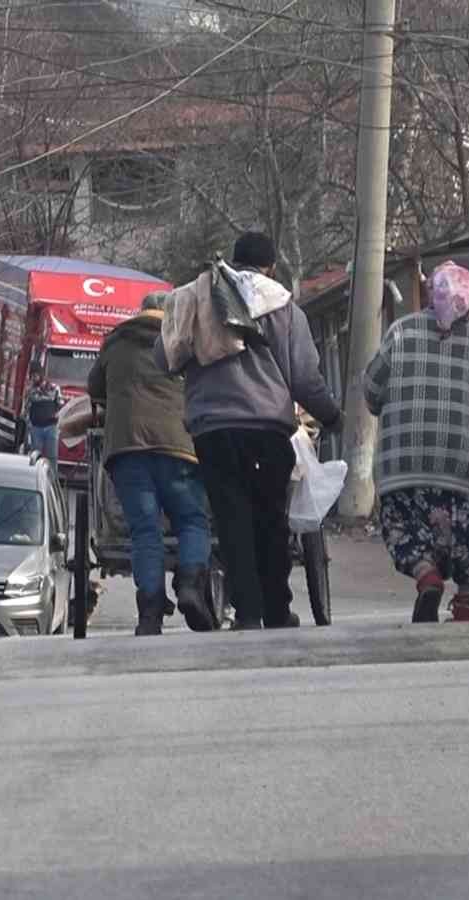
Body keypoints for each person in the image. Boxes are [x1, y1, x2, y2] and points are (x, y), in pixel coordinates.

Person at [158, 232, 341, 631]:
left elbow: (165, 357)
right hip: (269, 428)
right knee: (271, 519)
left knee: (232, 520)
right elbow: (305, 378)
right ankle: (278, 608)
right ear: (271, 266)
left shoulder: (197, 295)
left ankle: (248, 612)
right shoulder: (283, 306)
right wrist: (330, 415)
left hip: (214, 430)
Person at [365, 260, 469, 623]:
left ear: (429, 293)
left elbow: (371, 392)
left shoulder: (401, 332)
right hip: (467, 473)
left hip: (405, 470)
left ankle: (427, 575)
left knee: (403, 528)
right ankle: (467, 600)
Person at [88, 291, 212, 635]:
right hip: (179, 448)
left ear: (140, 312)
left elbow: (94, 388)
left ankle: (150, 612)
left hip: (127, 449)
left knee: (145, 531)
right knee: (191, 521)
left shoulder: (115, 341)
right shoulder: (185, 339)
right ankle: (189, 585)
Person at [24, 377, 63, 464]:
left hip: (51, 427)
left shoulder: (55, 388)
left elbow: (60, 405)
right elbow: (26, 407)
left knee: (52, 457)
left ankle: (52, 477)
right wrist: (29, 424)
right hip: (36, 427)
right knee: (35, 456)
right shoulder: (31, 390)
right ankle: (33, 476)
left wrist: (57, 419)